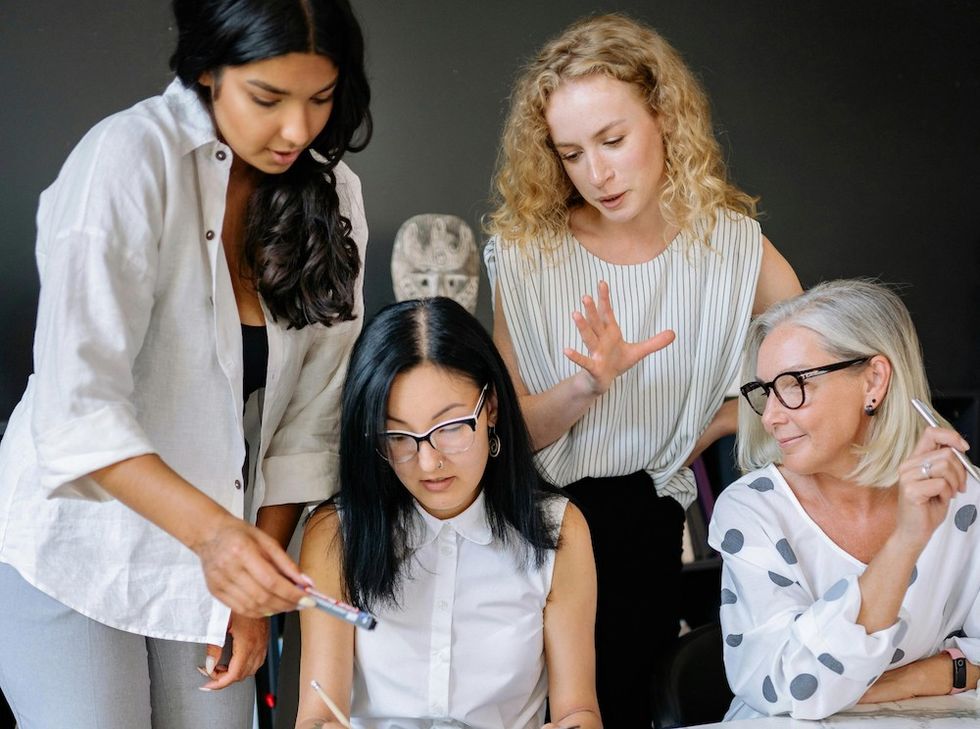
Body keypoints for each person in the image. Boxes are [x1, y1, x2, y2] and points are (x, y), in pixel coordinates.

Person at [0, 0, 371, 726]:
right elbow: (77, 411)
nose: (297, 129)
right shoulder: (126, 160)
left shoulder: (335, 196)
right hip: (73, 542)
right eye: (268, 98)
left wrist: (252, 582)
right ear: (208, 70)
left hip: (211, 562)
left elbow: (305, 426)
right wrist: (218, 539)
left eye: (320, 98)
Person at [484, 13, 802, 726]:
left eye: (612, 140)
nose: (595, 173)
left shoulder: (732, 246)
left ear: (664, 117)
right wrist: (586, 388)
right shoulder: (525, 254)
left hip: (645, 534)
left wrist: (721, 419)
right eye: (569, 153)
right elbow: (507, 437)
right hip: (535, 532)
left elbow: (820, 369)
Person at [294, 297, 601, 729]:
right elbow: (317, 714)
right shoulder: (336, 534)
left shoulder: (557, 530)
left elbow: (579, 712)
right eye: (398, 436)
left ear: (490, 408)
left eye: (451, 427)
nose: (428, 462)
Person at [709, 279, 980, 720]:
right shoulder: (752, 510)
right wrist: (906, 541)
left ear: (873, 380)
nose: (772, 416)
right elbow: (791, 691)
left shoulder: (961, 496)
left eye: (794, 383)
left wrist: (896, 683)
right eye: (765, 391)